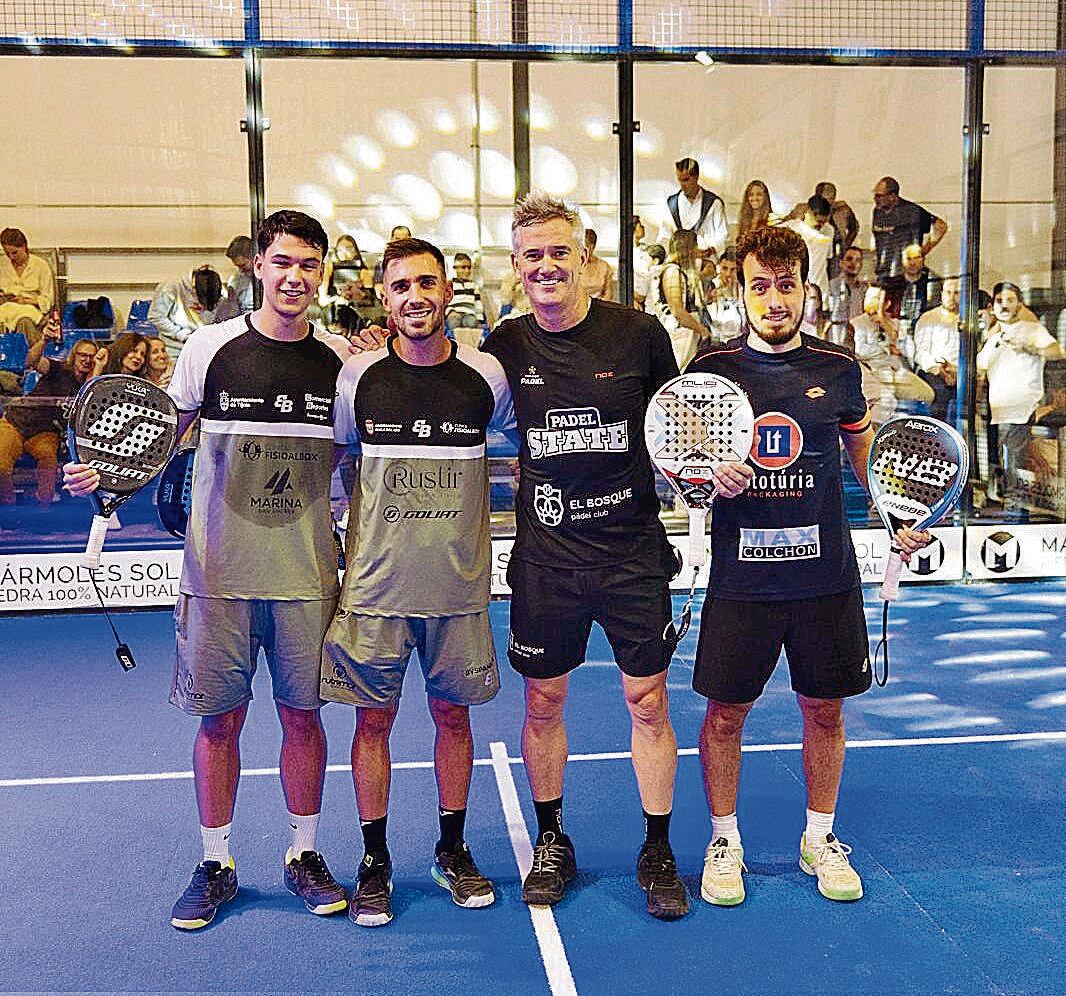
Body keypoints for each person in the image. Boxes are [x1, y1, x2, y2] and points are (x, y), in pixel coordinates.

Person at [64, 210, 350, 931]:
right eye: (283, 262)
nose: (296, 277)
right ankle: (217, 862)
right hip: (217, 575)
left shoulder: (340, 362)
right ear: (258, 265)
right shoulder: (210, 350)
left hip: (307, 579)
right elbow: (159, 438)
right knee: (219, 723)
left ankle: (303, 855)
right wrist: (104, 473)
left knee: (303, 720)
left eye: (309, 265)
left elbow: (347, 460)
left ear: (322, 273)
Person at [686, 225, 930, 909]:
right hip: (742, 579)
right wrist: (708, 479)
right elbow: (683, 468)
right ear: (740, 292)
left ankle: (819, 837)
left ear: (806, 290)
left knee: (825, 712)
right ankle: (724, 840)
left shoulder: (839, 368)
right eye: (759, 286)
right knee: (725, 716)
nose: (773, 299)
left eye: (785, 284)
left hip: (825, 578)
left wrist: (896, 515)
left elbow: (866, 458)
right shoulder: (712, 370)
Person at [484, 193, 690, 920]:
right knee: (544, 699)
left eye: (559, 253)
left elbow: (679, 434)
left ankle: (657, 846)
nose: (546, 266)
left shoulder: (639, 336)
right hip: (546, 561)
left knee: (649, 701)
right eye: (532, 255)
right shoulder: (503, 344)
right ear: (516, 266)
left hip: (633, 556)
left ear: (585, 260)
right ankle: (551, 840)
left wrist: (707, 476)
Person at [322, 237, 515, 928]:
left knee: (452, 718)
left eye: (426, 282)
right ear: (384, 293)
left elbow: (525, 451)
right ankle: (374, 861)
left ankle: (452, 848)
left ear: (447, 289)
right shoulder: (358, 377)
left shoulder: (486, 376)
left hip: (458, 590)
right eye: (400, 285)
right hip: (375, 588)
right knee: (372, 721)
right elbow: (341, 462)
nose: (415, 297)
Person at [976, 281, 1063, 512]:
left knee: (1014, 462)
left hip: (1021, 410)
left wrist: (1031, 347)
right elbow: (979, 367)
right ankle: (1011, 507)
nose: (1004, 305)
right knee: (1002, 463)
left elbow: (1057, 352)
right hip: (997, 414)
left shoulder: (1032, 329)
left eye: (1010, 300)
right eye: (999, 301)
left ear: (1020, 305)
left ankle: (1016, 513)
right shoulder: (994, 338)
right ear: (993, 306)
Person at [0, 322, 95, 507]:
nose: (87, 360)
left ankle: (44, 508)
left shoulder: (90, 384)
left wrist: (98, 366)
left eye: (92, 357)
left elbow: (89, 395)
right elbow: (31, 362)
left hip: (45, 431)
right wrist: (44, 340)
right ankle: (9, 509)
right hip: (15, 422)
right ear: (74, 356)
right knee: (1, 465)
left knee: (48, 461)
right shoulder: (58, 369)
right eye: (83, 355)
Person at [870, 176, 948, 282]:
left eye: (879, 196)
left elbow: (940, 226)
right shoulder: (877, 212)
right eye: (875, 195)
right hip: (883, 273)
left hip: (905, 274)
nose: (875, 199)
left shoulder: (911, 211)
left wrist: (923, 251)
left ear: (892, 196)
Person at [648, 229, 706, 370]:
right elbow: (677, 311)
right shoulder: (672, 271)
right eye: (695, 245)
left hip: (685, 332)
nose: (697, 250)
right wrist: (702, 330)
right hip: (679, 333)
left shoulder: (676, 271)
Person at [658, 157, 727, 262]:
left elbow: (722, 236)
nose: (682, 185)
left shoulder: (714, 203)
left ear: (696, 177)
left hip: (706, 261)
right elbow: (664, 236)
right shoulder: (671, 204)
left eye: (686, 180)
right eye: (679, 180)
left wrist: (709, 250)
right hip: (678, 262)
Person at [149, 264, 225, 360]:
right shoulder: (170, 287)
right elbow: (156, 317)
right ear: (193, 289)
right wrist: (181, 334)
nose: (202, 306)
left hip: (205, 348)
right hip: (174, 350)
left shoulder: (217, 290)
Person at [912, 277, 961, 422]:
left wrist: (956, 373)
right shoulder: (929, 318)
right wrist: (940, 372)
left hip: (959, 374)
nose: (952, 297)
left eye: (956, 293)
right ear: (942, 293)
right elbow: (921, 354)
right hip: (934, 373)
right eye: (948, 292)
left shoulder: (968, 319)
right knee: (941, 399)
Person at [0, 228, 54, 345]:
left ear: (24, 246)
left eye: (15, 253)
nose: (11, 257)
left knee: (24, 322)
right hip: (4, 309)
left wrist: (26, 301)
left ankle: (28, 360)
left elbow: (48, 300)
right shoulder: (2, 264)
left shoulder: (40, 266)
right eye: (7, 253)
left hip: (30, 311)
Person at [782, 195, 834, 301]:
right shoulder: (789, 229)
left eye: (823, 222)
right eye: (817, 221)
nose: (820, 225)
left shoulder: (829, 230)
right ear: (808, 211)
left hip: (820, 293)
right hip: (794, 290)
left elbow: (828, 257)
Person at [826, 246, 868, 345]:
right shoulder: (830, 287)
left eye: (858, 260)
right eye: (849, 259)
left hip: (857, 343)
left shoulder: (864, 290)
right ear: (841, 263)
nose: (853, 263)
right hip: (835, 341)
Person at [445, 251, 487, 348]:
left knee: (471, 323)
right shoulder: (450, 285)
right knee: (454, 322)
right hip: (454, 312)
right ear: (455, 268)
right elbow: (444, 303)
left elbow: (478, 304)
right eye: (463, 267)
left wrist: (480, 320)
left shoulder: (473, 285)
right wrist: (449, 312)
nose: (467, 270)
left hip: (469, 313)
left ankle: (469, 350)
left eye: (469, 267)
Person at [703, 246, 744, 346]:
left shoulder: (743, 286)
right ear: (719, 267)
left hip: (740, 340)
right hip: (717, 342)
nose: (728, 274)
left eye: (733, 269)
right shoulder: (711, 286)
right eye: (724, 268)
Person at [221, 235, 255, 317]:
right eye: (238, 266)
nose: (241, 270)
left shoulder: (268, 276)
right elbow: (233, 312)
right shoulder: (235, 281)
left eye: (243, 265)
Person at [580, 228, 614, 301]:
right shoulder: (575, 266)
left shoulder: (604, 266)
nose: (588, 250)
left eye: (590, 246)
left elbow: (608, 294)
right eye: (586, 246)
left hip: (600, 306)